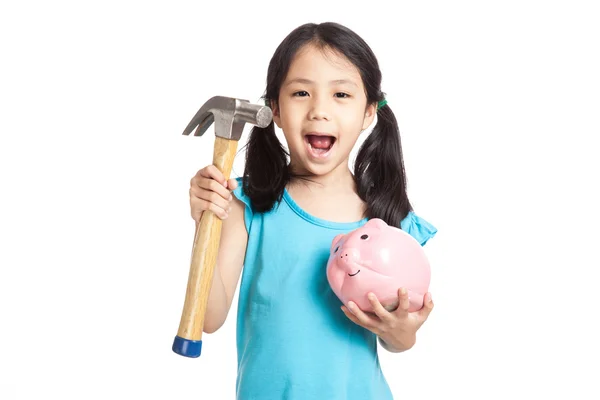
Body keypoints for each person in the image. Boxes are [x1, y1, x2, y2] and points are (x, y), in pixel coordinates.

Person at [188, 21, 438, 400]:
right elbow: (207, 318)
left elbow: (398, 340)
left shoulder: (388, 220)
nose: (319, 111)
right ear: (274, 108)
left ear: (369, 111)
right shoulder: (250, 205)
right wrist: (206, 219)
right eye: (301, 92)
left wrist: (400, 331)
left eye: (341, 94)